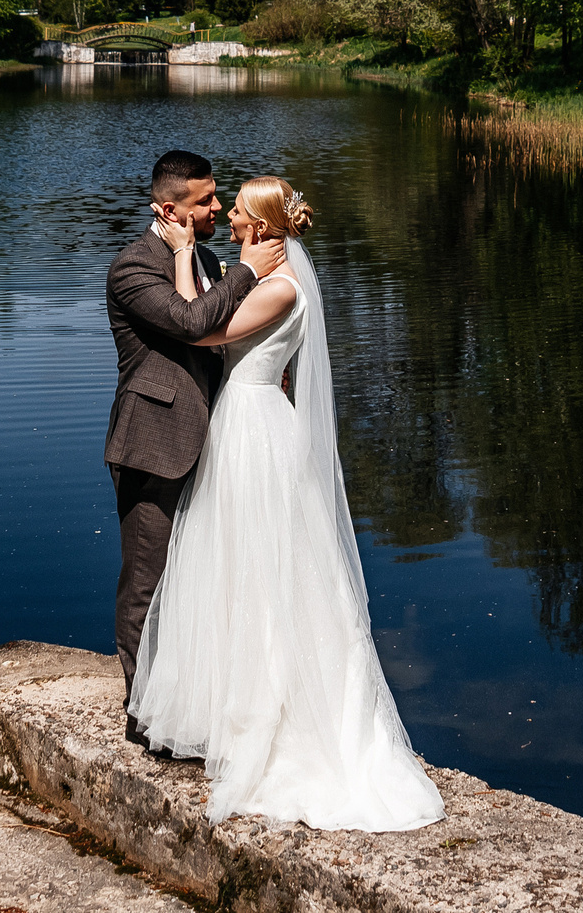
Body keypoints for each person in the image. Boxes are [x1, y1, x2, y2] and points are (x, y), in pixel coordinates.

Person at [129, 176, 445, 833]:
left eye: (240, 208)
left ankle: (280, 713)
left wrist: (196, 261)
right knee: (237, 567)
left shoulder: (278, 287)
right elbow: (203, 318)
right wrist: (196, 262)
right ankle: (235, 701)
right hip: (237, 426)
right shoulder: (260, 277)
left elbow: (207, 333)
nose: (230, 214)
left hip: (254, 428)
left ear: (264, 225)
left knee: (269, 570)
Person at [105, 149, 285, 741]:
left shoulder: (205, 256)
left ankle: (191, 702)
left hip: (220, 441)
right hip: (154, 443)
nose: (215, 205)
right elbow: (189, 324)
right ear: (169, 209)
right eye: (205, 200)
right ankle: (143, 715)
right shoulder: (133, 269)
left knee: (201, 577)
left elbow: (226, 334)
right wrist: (249, 271)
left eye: (216, 197)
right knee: (148, 581)